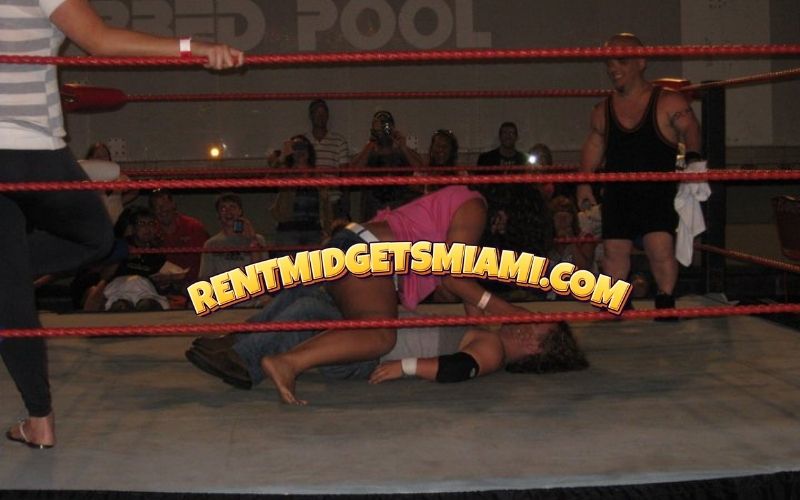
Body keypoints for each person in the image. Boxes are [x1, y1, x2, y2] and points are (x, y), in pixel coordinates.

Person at [1, 0, 243, 449]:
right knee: (88, 242)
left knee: (14, 282)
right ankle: (39, 418)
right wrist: (194, 48)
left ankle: (39, 417)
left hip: (25, 149)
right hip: (30, 148)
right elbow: (100, 40)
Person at [186, 184, 540, 405]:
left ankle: (235, 347)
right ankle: (285, 363)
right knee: (379, 334)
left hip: (355, 242)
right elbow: (452, 275)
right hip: (371, 253)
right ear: (508, 216)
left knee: (313, 305)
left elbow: (461, 286)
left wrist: (489, 323)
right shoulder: (476, 207)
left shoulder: (466, 206)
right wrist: (510, 312)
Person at [188, 288, 588, 390]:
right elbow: (468, 291)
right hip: (367, 339)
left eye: (536, 326)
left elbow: (460, 368)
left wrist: (406, 368)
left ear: (536, 347)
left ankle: (245, 364)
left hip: (365, 354)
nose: (524, 320)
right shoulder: (489, 333)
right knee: (307, 295)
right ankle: (235, 342)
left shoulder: (494, 351)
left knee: (316, 310)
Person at [576, 33, 702, 313]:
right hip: (618, 190)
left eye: (621, 60)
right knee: (613, 250)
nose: (613, 67)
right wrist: (584, 181)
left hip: (656, 190)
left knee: (659, 246)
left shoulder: (668, 101)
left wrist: (693, 159)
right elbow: (595, 143)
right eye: (609, 62)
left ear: (641, 62)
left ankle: (666, 300)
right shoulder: (602, 110)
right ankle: (616, 302)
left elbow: (691, 128)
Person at [351, 110, 424, 220]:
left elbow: (422, 169)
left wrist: (403, 147)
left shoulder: (401, 151)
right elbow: (352, 173)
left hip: (399, 206)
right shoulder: (369, 151)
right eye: (378, 126)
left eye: (385, 125)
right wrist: (371, 142)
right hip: (373, 207)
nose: (383, 130)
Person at [199, 192, 267, 307]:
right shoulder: (211, 244)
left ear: (240, 212)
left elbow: (264, 275)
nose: (228, 211)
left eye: (232, 207)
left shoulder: (257, 240)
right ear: (219, 214)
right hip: (224, 298)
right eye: (223, 208)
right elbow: (205, 279)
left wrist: (252, 241)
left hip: (252, 299)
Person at [269, 135, 327, 249]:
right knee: (289, 265)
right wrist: (283, 157)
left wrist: (327, 230)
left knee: (313, 266)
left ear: (309, 151)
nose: (300, 151)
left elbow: (326, 204)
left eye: (303, 147)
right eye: (295, 147)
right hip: (288, 229)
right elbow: (267, 181)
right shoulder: (285, 172)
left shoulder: (317, 175)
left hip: (313, 230)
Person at [305, 99, 351, 233]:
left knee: (334, 240)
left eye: (323, 113)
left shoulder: (339, 141)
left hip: (333, 199)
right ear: (311, 116)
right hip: (310, 200)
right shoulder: (303, 141)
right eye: (317, 113)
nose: (321, 117)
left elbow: (344, 174)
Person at [149, 190, 210, 285]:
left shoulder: (193, 227)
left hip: (193, 284)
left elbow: (207, 260)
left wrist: (186, 276)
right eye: (157, 207)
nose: (162, 209)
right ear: (153, 211)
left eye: (165, 204)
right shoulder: (150, 232)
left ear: (173, 205)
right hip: (160, 287)